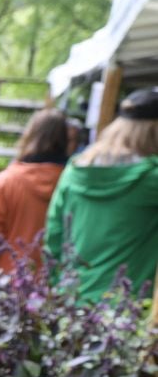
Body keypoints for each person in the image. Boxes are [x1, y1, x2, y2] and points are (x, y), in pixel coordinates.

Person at [46, 88, 158, 301]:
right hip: (123, 313)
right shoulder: (151, 179)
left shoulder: (75, 170)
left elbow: (54, 234)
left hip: (72, 300)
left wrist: (56, 286)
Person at [0, 108, 70, 271]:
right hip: (56, 281)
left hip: (10, 278)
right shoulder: (71, 184)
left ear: (29, 135)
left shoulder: (5, 181)